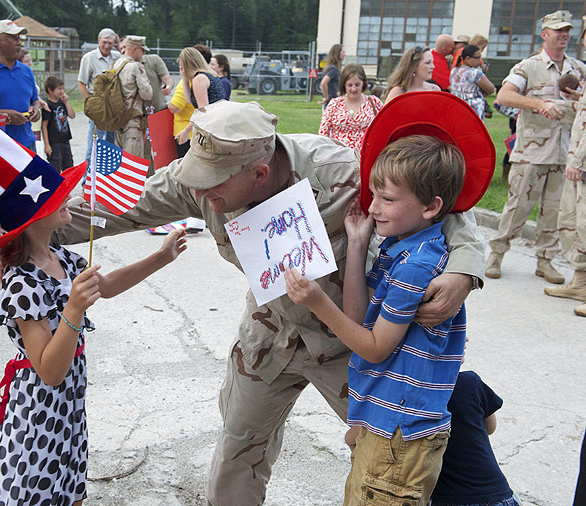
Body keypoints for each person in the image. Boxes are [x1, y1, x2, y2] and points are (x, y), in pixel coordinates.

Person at [51, 99, 487, 506]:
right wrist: (27, 233)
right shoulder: (200, 177)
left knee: (400, 452)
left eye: (212, 186)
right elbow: (113, 206)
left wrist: (463, 271)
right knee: (238, 447)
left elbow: (439, 203)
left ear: (259, 173)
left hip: (349, 343)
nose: (200, 194)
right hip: (270, 334)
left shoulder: (337, 171)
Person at [0, 116, 186, 506]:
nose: (70, 197)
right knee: (27, 491)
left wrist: (160, 257)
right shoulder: (22, 284)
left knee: (68, 487)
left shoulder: (60, 258)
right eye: (57, 197)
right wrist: (73, 309)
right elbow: (50, 370)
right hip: (37, 413)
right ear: (31, 219)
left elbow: (105, 285)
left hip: (68, 405)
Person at [286, 133, 467, 506]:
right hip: (385, 423)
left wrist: (319, 302)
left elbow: (375, 347)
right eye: (374, 195)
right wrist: (357, 244)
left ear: (431, 207)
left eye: (387, 199)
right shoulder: (401, 248)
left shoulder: (415, 266)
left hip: (399, 437)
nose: (375, 208)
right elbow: (359, 317)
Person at [486, 10, 586, 284]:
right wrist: (539, 104)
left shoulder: (578, 69)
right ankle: (497, 253)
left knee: (554, 212)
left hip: (564, 153)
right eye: (557, 30)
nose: (563, 35)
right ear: (545, 34)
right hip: (531, 152)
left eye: (567, 30)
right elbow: (504, 95)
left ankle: (545, 261)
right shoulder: (528, 66)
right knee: (517, 207)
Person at [430, 370, 519, 506]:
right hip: (496, 495)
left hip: (447, 497)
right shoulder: (469, 381)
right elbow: (490, 428)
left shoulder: (404, 394)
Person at [546, 20, 586, 316]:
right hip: (576, 157)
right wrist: (576, 102)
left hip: (580, 162)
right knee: (573, 222)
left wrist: (578, 161)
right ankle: (581, 281)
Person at [0, 19, 41, 151]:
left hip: (27, 145)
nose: (19, 43)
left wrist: (36, 109)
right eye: (13, 38)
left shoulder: (26, 71)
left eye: (19, 38)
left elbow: (35, 100)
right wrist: (3, 114)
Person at [77, 28, 121, 163]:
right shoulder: (89, 58)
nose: (107, 46)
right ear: (98, 41)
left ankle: (105, 180)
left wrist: (119, 45)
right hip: (99, 106)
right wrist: (91, 105)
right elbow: (82, 83)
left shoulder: (117, 57)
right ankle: (87, 180)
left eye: (111, 43)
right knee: (94, 144)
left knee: (111, 144)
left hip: (113, 108)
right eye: (104, 42)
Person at [318, 64, 382, 152]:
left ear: (363, 83)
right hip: (338, 158)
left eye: (357, 84)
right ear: (344, 85)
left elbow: (384, 128)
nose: (353, 89)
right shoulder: (334, 104)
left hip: (366, 157)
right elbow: (323, 133)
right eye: (350, 85)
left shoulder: (374, 102)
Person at [173, 47, 226, 146]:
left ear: (188, 65)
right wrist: (184, 78)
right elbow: (189, 100)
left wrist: (186, 131)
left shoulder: (199, 79)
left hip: (211, 130)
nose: (181, 69)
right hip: (218, 126)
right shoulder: (209, 75)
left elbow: (203, 111)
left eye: (182, 67)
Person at [167, 44, 212, 158]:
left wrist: (164, 105)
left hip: (186, 133)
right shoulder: (209, 77)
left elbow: (175, 107)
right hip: (203, 132)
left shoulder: (191, 81)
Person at [111, 35, 152, 158]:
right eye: (142, 50)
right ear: (135, 49)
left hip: (118, 120)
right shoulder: (135, 66)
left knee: (118, 163)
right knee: (132, 163)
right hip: (132, 122)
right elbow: (147, 94)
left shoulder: (115, 65)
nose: (143, 53)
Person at [450, 44, 497, 119]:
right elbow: (491, 89)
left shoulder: (454, 70)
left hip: (457, 109)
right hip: (473, 111)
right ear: (468, 58)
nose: (480, 60)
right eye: (477, 58)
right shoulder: (474, 73)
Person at [41, 76, 76, 172]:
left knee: (69, 167)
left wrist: (66, 102)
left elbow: (72, 115)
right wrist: (47, 145)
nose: (62, 91)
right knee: (55, 167)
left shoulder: (62, 102)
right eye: (59, 89)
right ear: (50, 90)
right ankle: (55, 187)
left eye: (62, 88)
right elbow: (44, 126)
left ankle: (67, 187)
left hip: (65, 141)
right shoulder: (47, 105)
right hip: (54, 143)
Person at [319, 44, 345, 110]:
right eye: (343, 52)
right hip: (332, 103)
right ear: (337, 54)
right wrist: (326, 97)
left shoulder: (329, 67)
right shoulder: (333, 69)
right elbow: (323, 83)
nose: (344, 54)